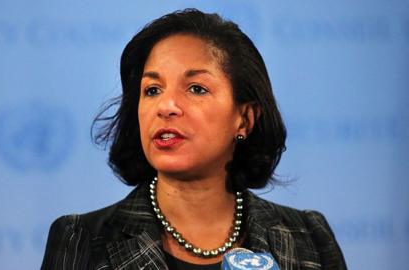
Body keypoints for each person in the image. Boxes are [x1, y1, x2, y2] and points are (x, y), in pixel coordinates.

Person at [41, 9, 346, 270]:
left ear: (245, 119)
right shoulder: (81, 238)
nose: (166, 106)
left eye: (196, 88)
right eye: (152, 90)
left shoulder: (308, 237)